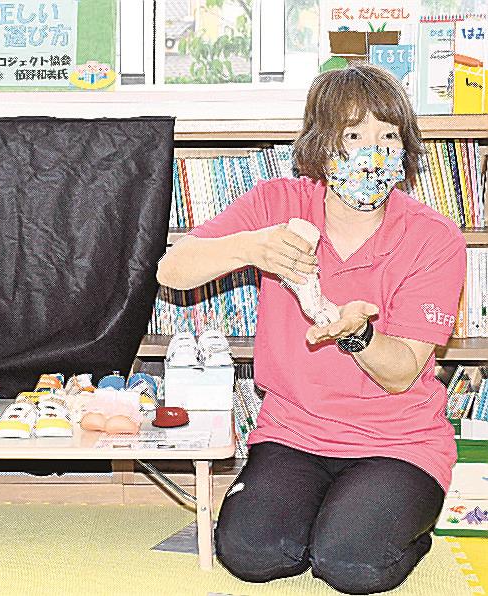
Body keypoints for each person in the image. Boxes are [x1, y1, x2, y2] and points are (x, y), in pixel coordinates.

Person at [157, 64, 466, 595]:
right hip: (293, 433)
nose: (374, 152)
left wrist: (357, 336)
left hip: (397, 443)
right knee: (251, 554)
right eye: (353, 135)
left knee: (351, 565)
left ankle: (393, 526)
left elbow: (400, 374)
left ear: (405, 147)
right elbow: (172, 270)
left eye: (388, 136)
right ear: (322, 146)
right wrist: (252, 247)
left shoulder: (434, 238)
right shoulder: (278, 204)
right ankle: (326, 515)